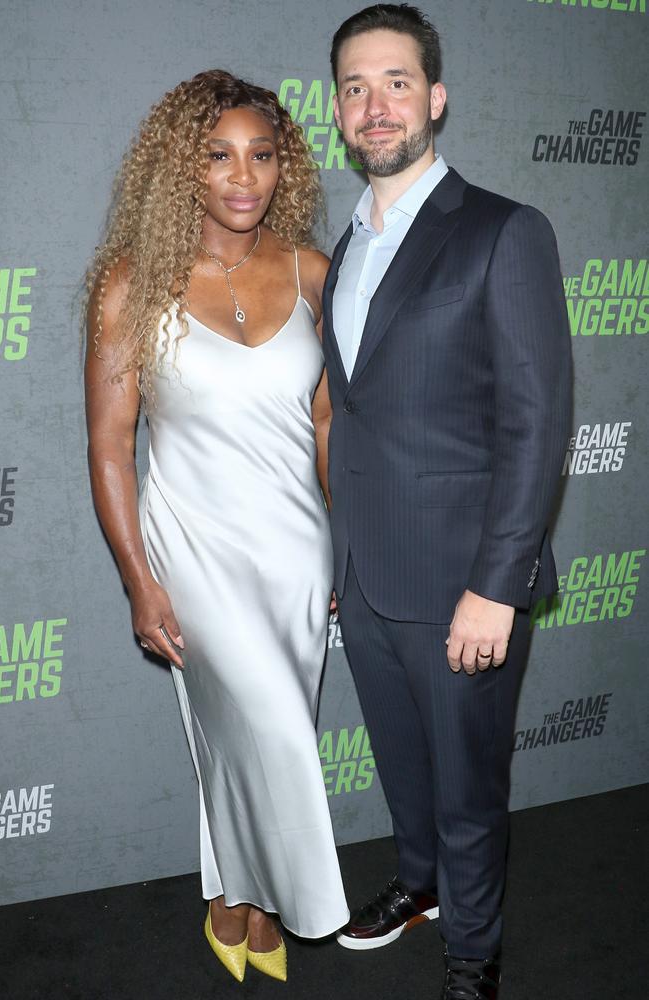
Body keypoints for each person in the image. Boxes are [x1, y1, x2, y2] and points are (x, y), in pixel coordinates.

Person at [323, 6, 572, 998]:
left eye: (393, 82)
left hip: (463, 583)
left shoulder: (502, 230)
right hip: (369, 574)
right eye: (353, 86)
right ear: (337, 112)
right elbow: (361, 416)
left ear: (433, 98)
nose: (373, 104)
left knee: (469, 789)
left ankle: (471, 956)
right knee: (403, 768)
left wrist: (495, 585)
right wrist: (342, 561)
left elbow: (534, 422)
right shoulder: (343, 247)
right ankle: (418, 883)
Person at [84, 69, 349, 985]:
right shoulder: (131, 286)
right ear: (181, 166)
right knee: (269, 729)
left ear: (286, 166)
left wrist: (342, 536)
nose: (245, 176)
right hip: (191, 546)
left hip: (295, 552)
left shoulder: (314, 271)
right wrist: (138, 579)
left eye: (263, 155)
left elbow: (323, 422)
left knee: (249, 736)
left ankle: (232, 901)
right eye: (218, 155)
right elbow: (112, 448)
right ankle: (287, 901)